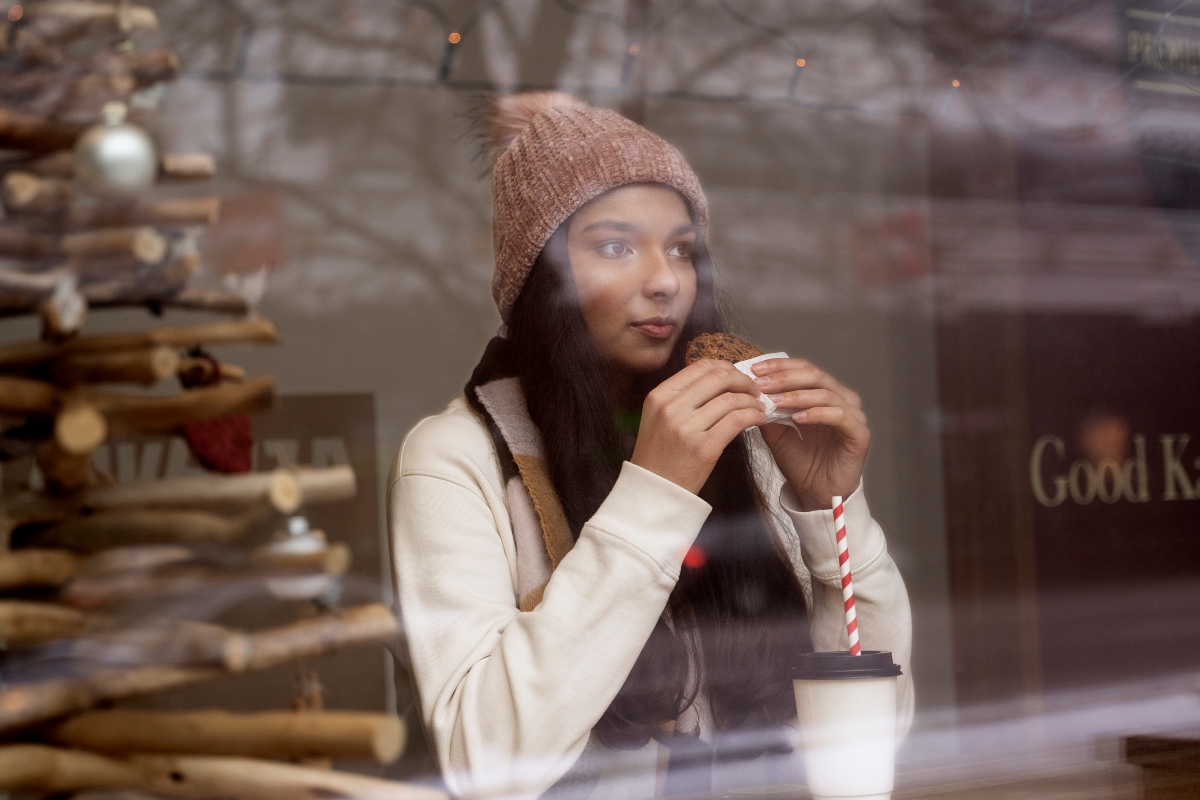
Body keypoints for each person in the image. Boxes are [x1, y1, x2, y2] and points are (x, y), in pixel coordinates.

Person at [389, 92, 913, 800]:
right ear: (541, 279)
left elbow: (871, 735)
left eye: (681, 249)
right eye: (614, 246)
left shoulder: (743, 445)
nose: (665, 280)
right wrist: (655, 495)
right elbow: (487, 764)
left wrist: (832, 513)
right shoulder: (456, 459)